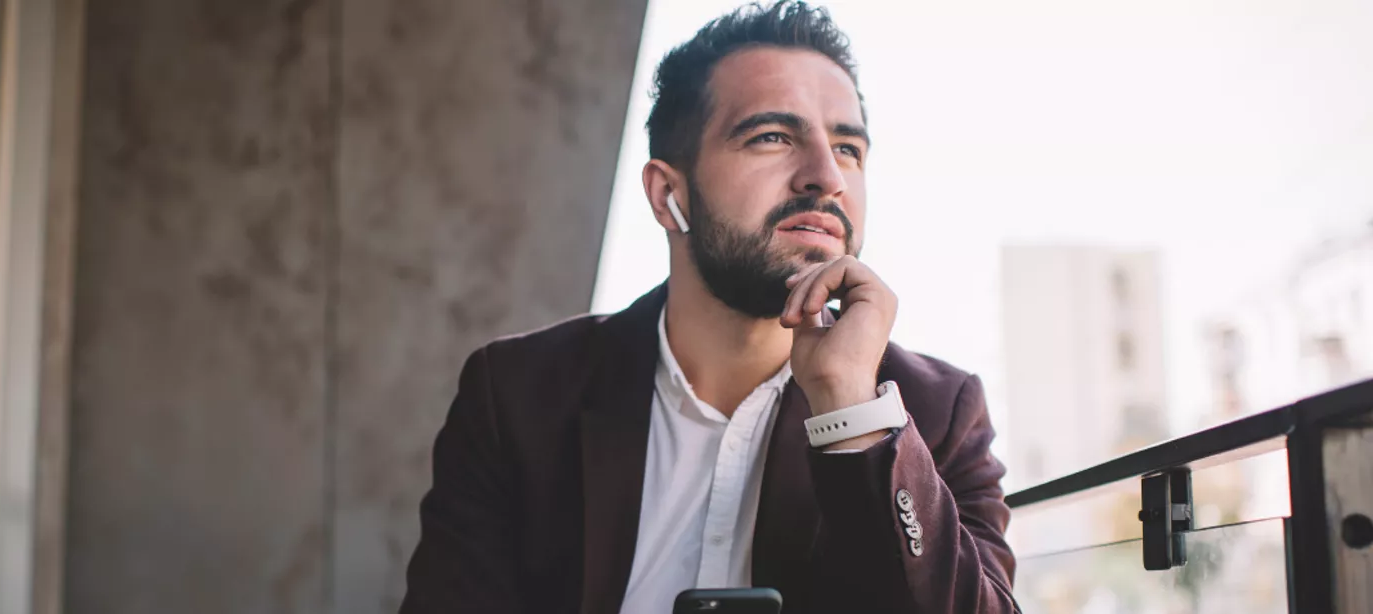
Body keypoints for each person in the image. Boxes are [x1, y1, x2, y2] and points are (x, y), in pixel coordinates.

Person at [402, 2, 1017, 612]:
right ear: (669, 194)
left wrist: (853, 418)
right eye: (772, 137)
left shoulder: (935, 415)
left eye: (849, 149)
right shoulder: (516, 396)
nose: (826, 176)